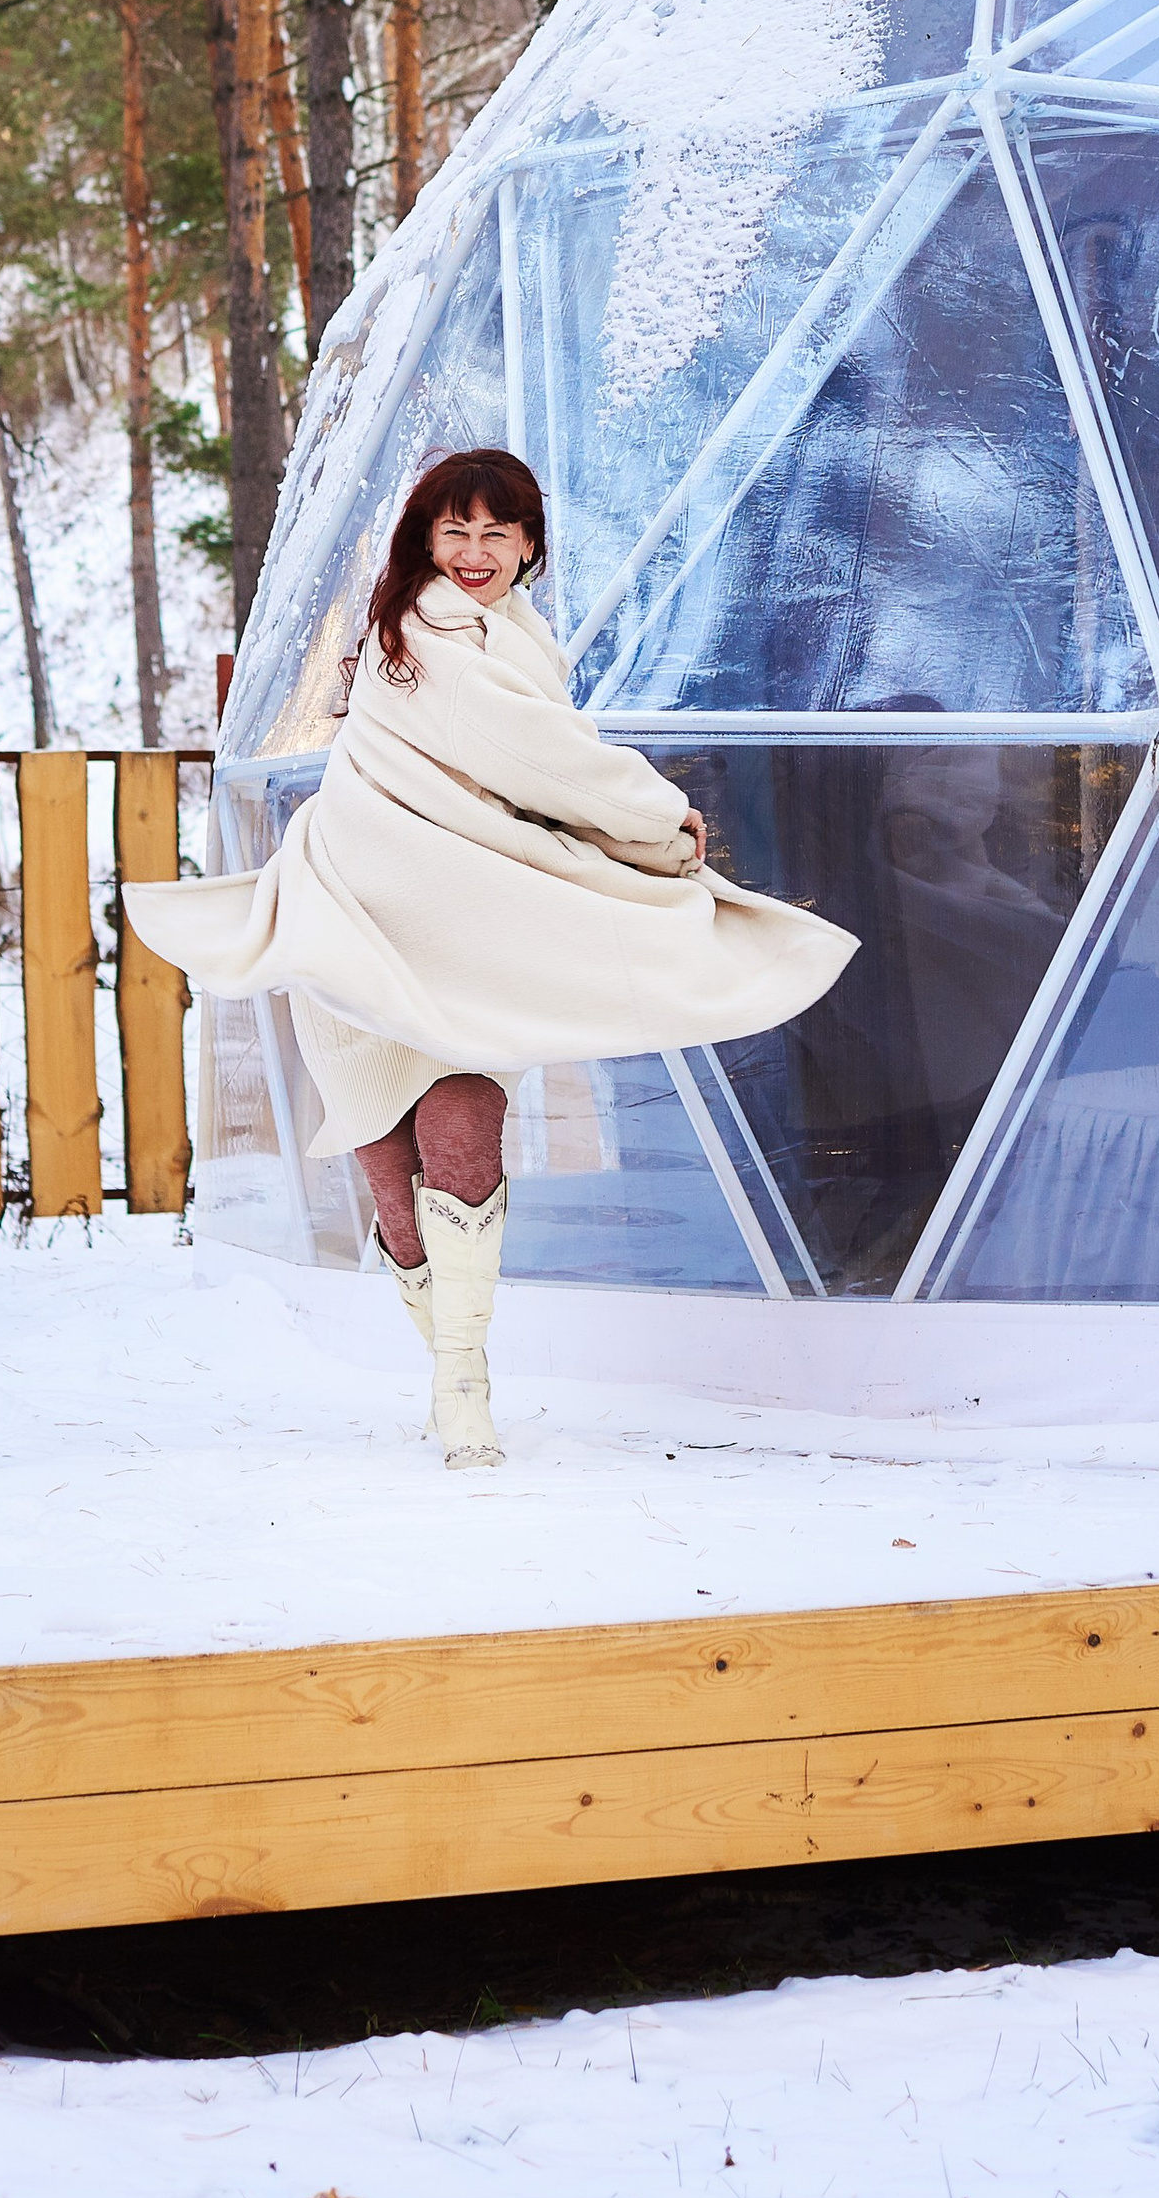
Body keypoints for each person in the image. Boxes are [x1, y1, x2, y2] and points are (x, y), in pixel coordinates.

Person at [128, 447, 854, 1466]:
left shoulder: (510, 635)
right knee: (392, 1171)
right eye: (453, 530)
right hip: (364, 905)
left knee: (461, 1130)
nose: (474, 552)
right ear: (424, 541)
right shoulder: (425, 630)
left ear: (528, 546)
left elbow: (525, 775)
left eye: (496, 531)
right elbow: (542, 759)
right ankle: (451, 1363)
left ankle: (460, 1382)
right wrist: (655, 821)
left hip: (465, 918)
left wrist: (637, 838)